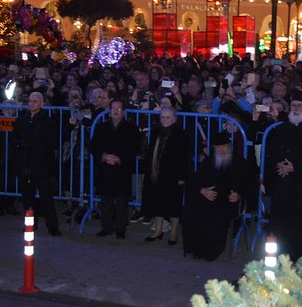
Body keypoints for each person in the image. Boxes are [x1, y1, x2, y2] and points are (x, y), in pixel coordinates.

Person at [263, 89, 302, 261]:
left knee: (301, 221)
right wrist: (280, 164)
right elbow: (271, 149)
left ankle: (301, 256)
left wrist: (295, 167)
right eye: (294, 105)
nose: (296, 108)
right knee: (280, 219)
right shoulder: (281, 128)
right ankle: (278, 254)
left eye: (300, 105)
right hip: (282, 181)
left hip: (301, 183)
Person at [182, 132, 244, 260]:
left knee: (217, 217)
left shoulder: (239, 162)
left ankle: (211, 251)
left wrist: (239, 195)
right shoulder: (209, 161)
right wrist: (202, 190)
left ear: (230, 147)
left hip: (226, 201)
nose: (221, 150)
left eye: (224, 147)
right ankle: (196, 249)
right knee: (191, 210)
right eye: (218, 148)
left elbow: (248, 184)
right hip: (206, 197)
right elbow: (195, 179)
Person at [89, 99, 142, 239]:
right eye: (113, 108)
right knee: (105, 200)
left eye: (119, 108)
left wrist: (120, 159)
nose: (116, 111)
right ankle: (106, 227)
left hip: (122, 168)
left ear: (124, 112)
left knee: (121, 200)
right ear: (109, 110)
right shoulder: (101, 127)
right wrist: (104, 156)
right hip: (105, 168)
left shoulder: (132, 128)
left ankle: (120, 229)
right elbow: (93, 146)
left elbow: (135, 148)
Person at [10, 91, 61, 235]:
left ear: (42, 103)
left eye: (35, 101)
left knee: (46, 197)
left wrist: (30, 145)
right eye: (30, 101)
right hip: (25, 163)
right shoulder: (22, 119)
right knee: (27, 197)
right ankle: (30, 224)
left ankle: (53, 227)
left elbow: (49, 142)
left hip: (41, 164)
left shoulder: (47, 121)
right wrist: (22, 145)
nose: (32, 104)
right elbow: (14, 138)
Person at [141, 106, 190, 245]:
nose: (165, 120)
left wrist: (181, 177)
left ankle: (174, 233)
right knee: (157, 202)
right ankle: (158, 229)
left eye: (168, 117)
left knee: (174, 205)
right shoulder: (156, 131)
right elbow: (151, 152)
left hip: (173, 175)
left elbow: (184, 157)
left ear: (174, 118)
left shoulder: (181, 134)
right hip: (156, 173)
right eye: (162, 117)